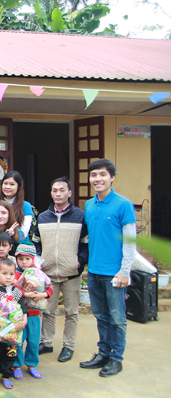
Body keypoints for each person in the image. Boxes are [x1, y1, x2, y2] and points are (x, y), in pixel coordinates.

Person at [80, 159, 135, 378]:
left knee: (117, 318)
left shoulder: (123, 204)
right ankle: (103, 353)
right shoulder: (89, 205)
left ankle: (116, 359)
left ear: (112, 177)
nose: (97, 179)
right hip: (94, 271)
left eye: (102, 175)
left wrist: (124, 271)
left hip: (114, 273)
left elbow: (130, 242)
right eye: (94, 175)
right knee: (101, 316)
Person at [34, 177, 88, 363]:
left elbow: (86, 243)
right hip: (48, 273)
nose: (58, 193)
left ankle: (68, 346)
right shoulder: (42, 217)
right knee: (48, 310)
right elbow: (36, 243)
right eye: (55, 190)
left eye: (62, 190)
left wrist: (79, 262)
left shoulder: (80, 216)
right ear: (51, 193)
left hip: (71, 273)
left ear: (69, 193)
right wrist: (40, 261)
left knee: (71, 312)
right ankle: (46, 342)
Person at [0, 258, 28, 390]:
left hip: (12, 331)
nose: (8, 277)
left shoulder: (17, 292)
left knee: (10, 353)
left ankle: (6, 375)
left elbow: (23, 309)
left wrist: (24, 320)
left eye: (11, 274)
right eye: (4, 273)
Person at [12, 243, 53, 381]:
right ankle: (17, 365)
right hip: (18, 314)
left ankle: (31, 364)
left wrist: (44, 295)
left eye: (27, 259)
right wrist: (26, 294)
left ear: (33, 259)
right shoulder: (15, 273)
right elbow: (14, 288)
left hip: (34, 314)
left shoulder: (38, 274)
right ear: (16, 259)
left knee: (34, 341)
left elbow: (49, 287)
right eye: (21, 259)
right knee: (18, 341)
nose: (24, 262)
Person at [0, 171, 34, 240]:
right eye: (5, 183)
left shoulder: (26, 206)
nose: (7, 187)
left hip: (20, 245)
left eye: (12, 184)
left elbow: (24, 232)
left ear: (18, 186)